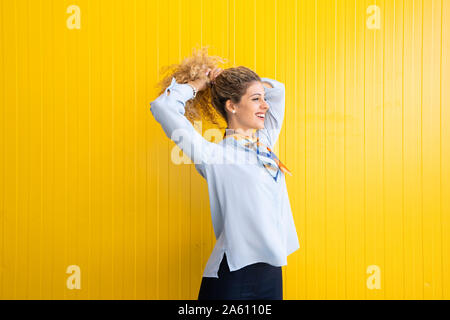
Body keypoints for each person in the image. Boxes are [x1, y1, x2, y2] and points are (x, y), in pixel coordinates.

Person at [149, 49, 300, 300]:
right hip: (233, 275)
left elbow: (278, 90)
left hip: (272, 271)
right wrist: (199, 84)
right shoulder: (212, 156)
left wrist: (232, 80)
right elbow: (162, 107)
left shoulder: (265, 141)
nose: (265, 105)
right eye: (255, 99)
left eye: (263, 99)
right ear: (232, 106)